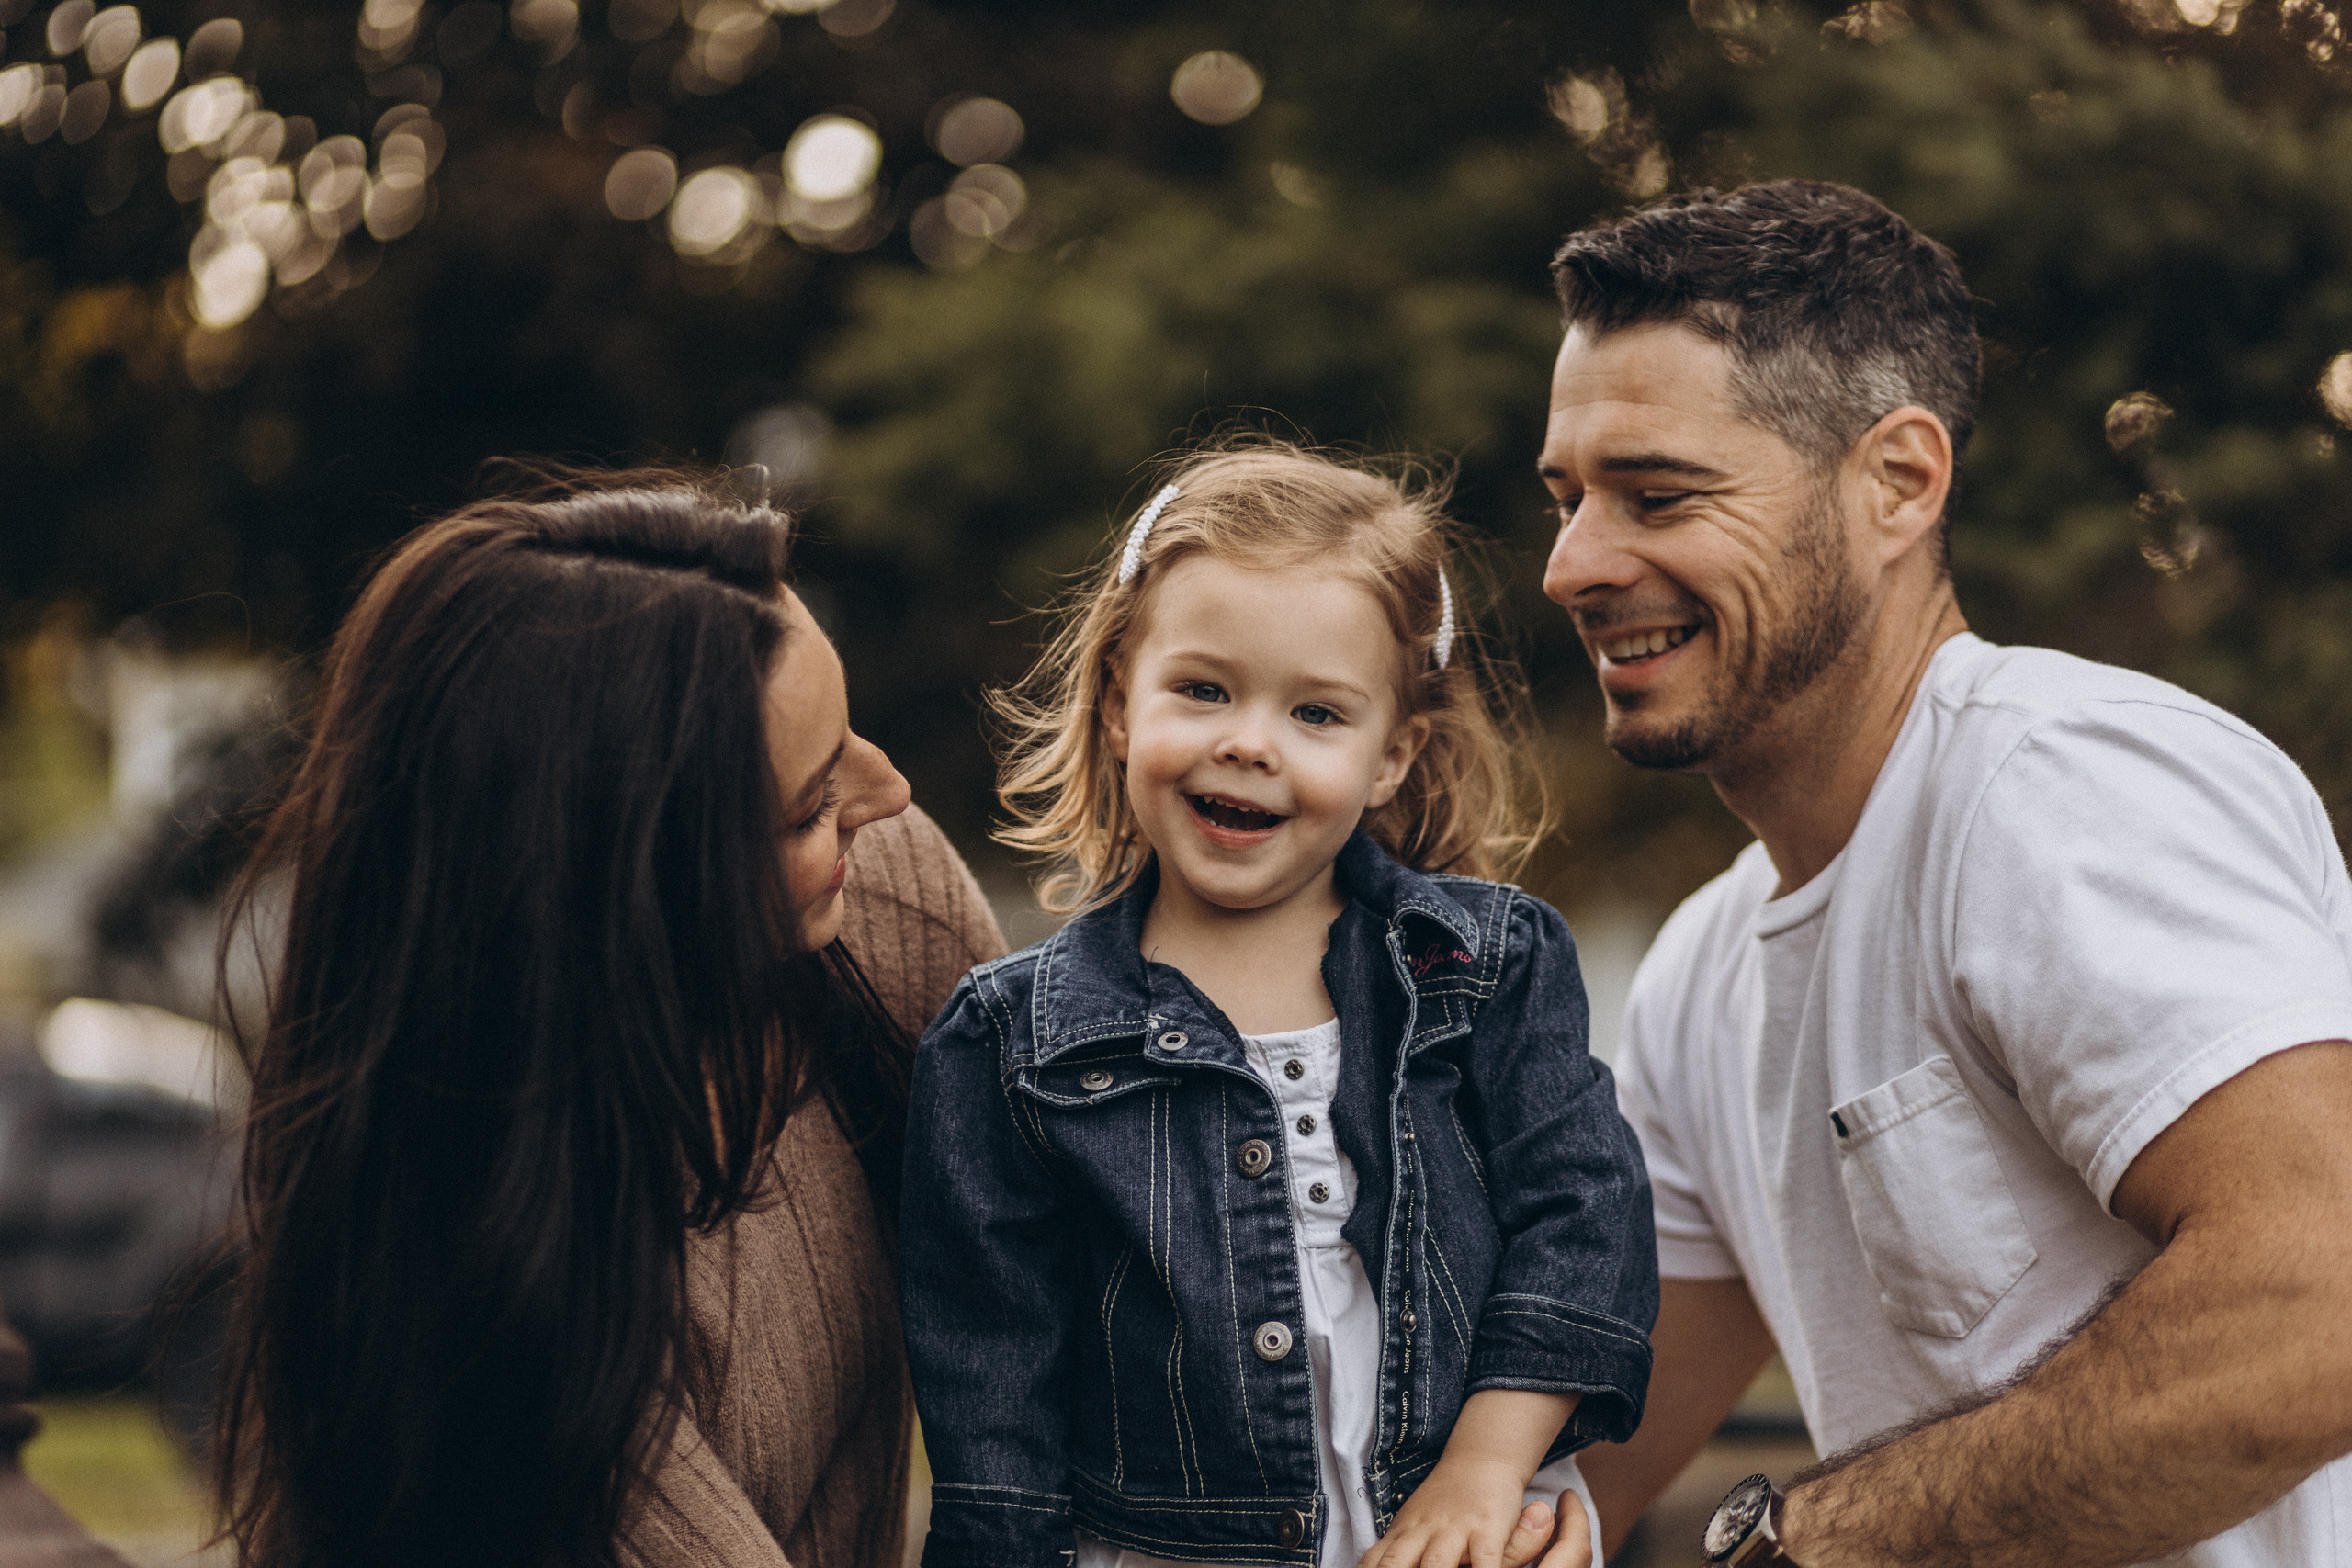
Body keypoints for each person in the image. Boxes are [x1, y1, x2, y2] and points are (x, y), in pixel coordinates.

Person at [1540, 181, 2352, 1566]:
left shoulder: (2058, 787)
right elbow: (1559, 1471)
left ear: (1899, 481)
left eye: (1657, 493)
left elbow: (2323, 1299)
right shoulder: (1698, 973)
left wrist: (1799, 1544)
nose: (1573, 565)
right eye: (1567, 500)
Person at [210, 470, 1005, 1568]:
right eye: (813, 800)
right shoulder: (492, 1300)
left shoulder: (872, 902)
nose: (889, 793)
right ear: (635, 884)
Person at [899, 445, 1658, 1568]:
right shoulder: (1013, 1044)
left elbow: (1585, 1221)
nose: (1249, 741)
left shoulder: (1484, 968)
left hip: (1457, 1526)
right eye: (1202, 690)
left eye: (1316, 713)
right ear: (1118, 706)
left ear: (1391, 756)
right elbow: (992, 1387)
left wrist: (1487, 1468)